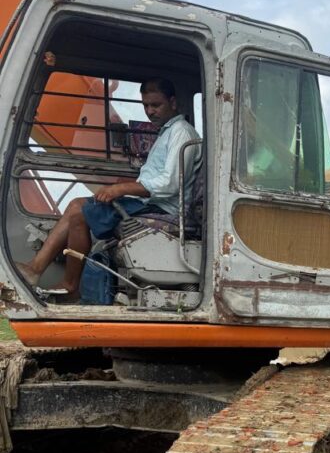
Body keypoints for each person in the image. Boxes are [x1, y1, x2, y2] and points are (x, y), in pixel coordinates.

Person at [18, 77, 200, 299]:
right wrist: (121, 188)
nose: (150, 111)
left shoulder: (181, 132)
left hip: (164, 208)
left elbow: (170, 183)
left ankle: (61, 281)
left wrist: (121, 189)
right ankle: (45, 272)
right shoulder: (166, 132)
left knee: (79, 210)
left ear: (173, 102)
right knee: (77, 208)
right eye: (146, 105)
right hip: (150, 203)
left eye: (156, 105)